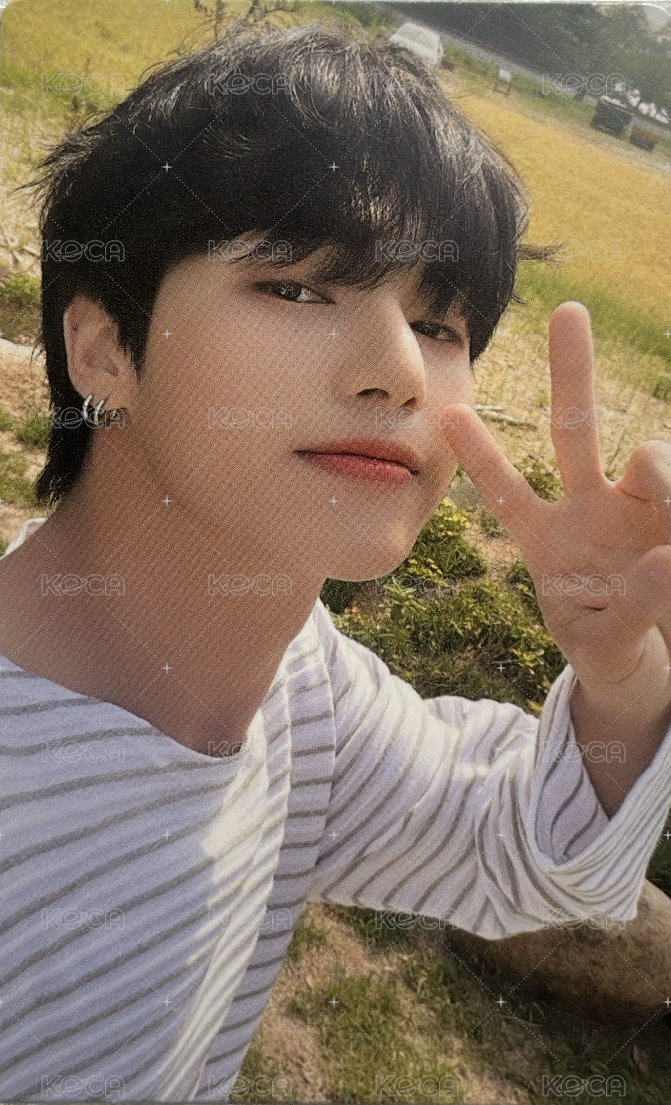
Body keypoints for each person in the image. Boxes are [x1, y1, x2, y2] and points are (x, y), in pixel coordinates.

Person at [1, 17, 670, 1103]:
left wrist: (620, 668)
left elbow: (531, 854)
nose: (398, 371)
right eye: (298, 287)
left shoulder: (302, 694)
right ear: (103, 347)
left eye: (440, 322)